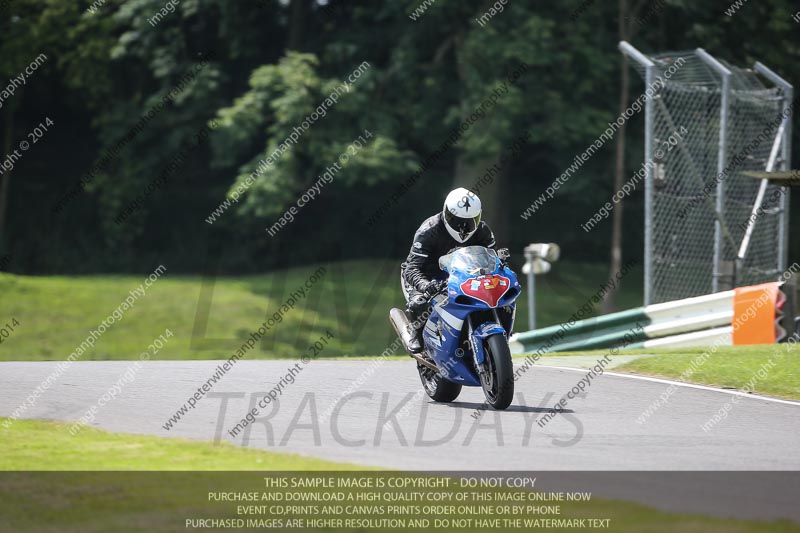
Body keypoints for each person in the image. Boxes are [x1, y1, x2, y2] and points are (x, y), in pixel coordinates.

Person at [400, 187, 496, 354]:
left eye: (470, 221)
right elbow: (412, 268)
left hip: (465, 276)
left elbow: (494, 259)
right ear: (446, 213)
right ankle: (417, 333)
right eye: (457, 221)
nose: (463, 228)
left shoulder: (482, 230)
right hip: (427, 276)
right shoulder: (428, 231)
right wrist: (425, 285)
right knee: (419, 303)